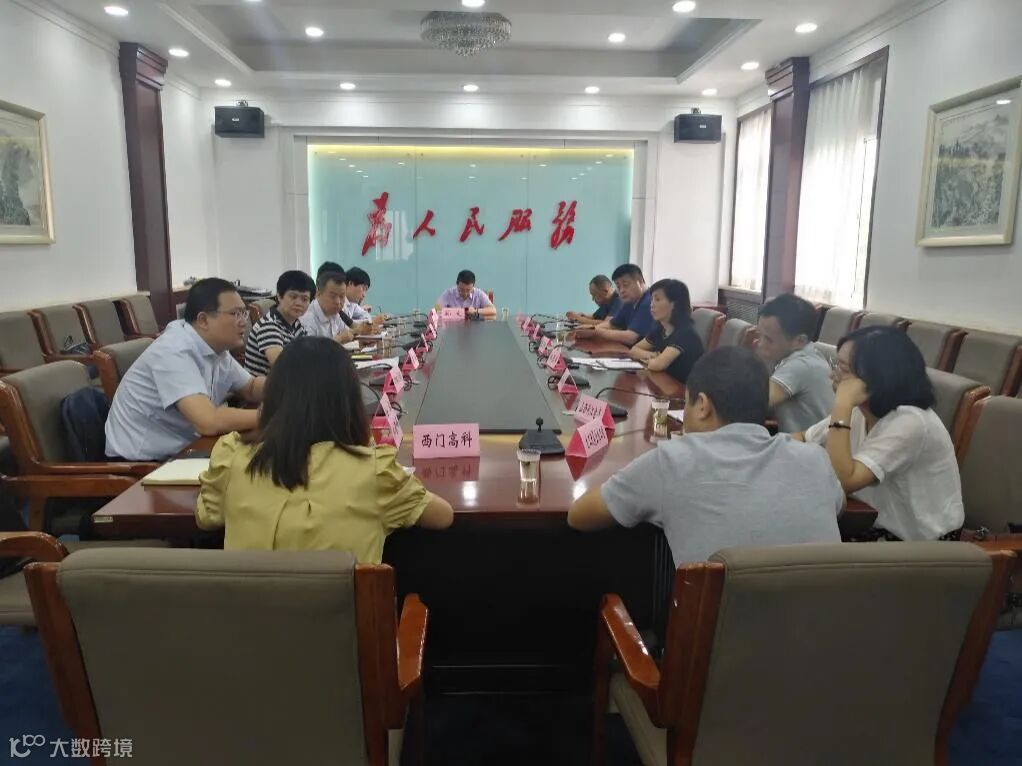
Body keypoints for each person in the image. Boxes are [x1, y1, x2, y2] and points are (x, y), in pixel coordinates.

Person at [568, 347, 842, 565]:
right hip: (827, 619)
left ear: (702, 406)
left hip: (723, 621)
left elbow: (579, 516)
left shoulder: (672, 462)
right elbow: (834, 508)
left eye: (686, 402)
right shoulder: (816, 459)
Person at [196, 336, 454, 562]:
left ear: (273, 396)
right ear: (349, 401)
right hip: (342, 607)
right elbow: (443, 516)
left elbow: (207, 518)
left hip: (246, 605)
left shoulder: (232, 456)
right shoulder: (374, 472)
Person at [798, 326, 964, 542]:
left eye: (843, 369)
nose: (832, 375)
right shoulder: (862, 411)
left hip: (920, 547)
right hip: (865, 524)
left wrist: (842, 404)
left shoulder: (911, 422)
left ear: (877, 377)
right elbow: (803, 438)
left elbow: (843, 481)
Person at [105, 278, 265, 461]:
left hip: (187, 448)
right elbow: (208, 421)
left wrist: (288, 389)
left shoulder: (216, 348)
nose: (244, 322)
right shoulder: (173, 350)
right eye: (235, 314)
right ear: (203, 320)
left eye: (244, 313)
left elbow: (250, 387)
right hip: (142, 464)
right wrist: (273, 416)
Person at [756, 294, 834, 432]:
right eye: (758, 335)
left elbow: (754, 403)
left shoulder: (801, 365)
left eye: (768, 339)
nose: (760, 344)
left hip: (810, 444)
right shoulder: (804, 356)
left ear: (799, 341)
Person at [627, 278, 704, 383]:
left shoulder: (685, 333)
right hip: (665, 383)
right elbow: (633, 350)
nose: (652, 305)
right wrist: (653, 355)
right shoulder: (660, 329)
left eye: (657, 300)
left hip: (683, 389)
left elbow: (658, 365)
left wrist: (652, 359)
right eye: (652, 300)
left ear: (674, 304)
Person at [243, 270, 315, 376]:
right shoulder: (268, 326)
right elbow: (283, 367)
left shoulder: (296, 324)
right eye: (293, 297)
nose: (299, 303)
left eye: (304, 299)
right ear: (279, 296)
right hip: (266, 384)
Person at [585, 264, 653, 347]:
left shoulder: (650, 302)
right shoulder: (630, 301)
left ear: (640, 281)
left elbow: (630, 338)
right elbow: (612, 324)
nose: (621, 290)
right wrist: (590, 329)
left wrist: (596, 332)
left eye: (625, 285)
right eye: (618, 286)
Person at [299, 267, 355, 344]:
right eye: (333, 296)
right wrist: (339, 339)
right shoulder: (307, 318)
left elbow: (346, 334)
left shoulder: (335, 313)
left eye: (342, 296)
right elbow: (309, 350)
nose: (338, 302)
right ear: (318, 293)